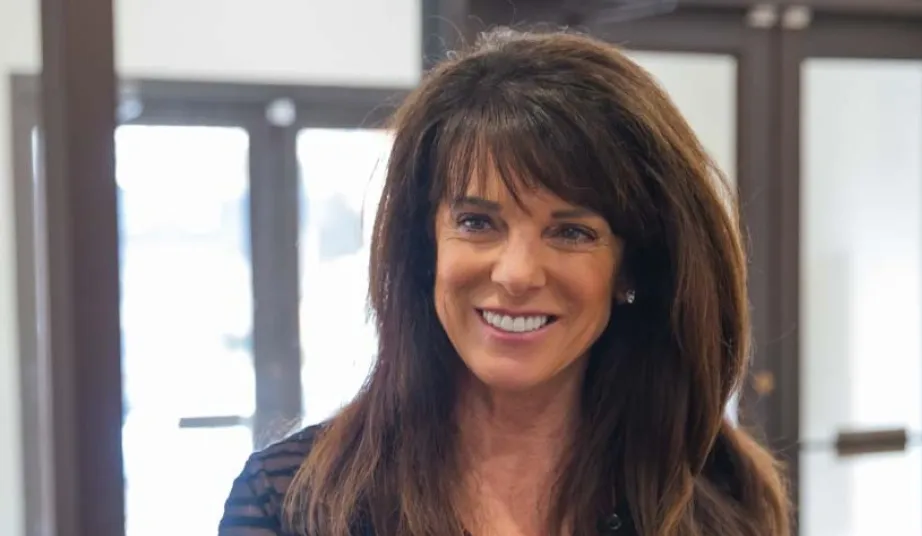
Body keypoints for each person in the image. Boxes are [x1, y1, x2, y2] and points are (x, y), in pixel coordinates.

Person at [219, 28, 791, 536]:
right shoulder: (289, 503)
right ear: (425, 246)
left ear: (631, 268)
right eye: (477, 222)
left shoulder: (722, 497)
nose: (516, 273)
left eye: (571, 232)